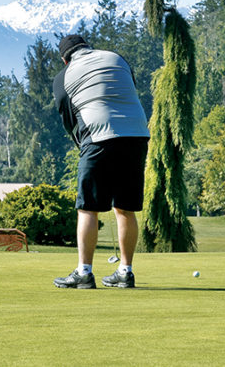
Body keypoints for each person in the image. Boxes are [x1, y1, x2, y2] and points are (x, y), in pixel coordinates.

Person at [51, 34, 150, 289]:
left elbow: (68, 119)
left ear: (65, 58)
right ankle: (125, 272)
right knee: (125, 208)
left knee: (88, 208)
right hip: (138, 134)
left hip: (98, 137)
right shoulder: (116, 58)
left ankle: (84, 273)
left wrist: (83, 145)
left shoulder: (64, 76)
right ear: (87, 48)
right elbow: (129, 89)